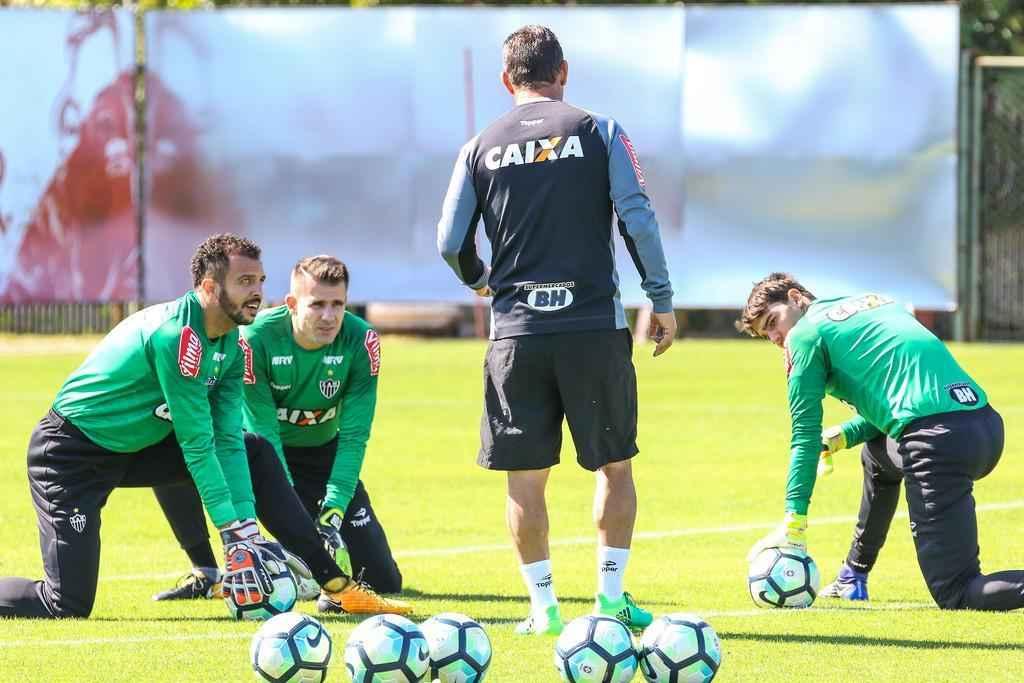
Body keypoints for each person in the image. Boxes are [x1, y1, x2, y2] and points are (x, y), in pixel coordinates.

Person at [0, 234, 409, 618]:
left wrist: (248, 529)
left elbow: (228, 441)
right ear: (210, 288)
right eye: (244, 281)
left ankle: (336, 584)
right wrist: (232, 533)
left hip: (136, 449)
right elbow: (197, 445)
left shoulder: (232, 342)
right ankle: (210, 566)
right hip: (71, 455)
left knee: (253, 449)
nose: (257, 292)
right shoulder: (176, 337)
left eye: (260, 281)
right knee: (66, 603)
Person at [436, 25, 676, 636]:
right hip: (592, 327)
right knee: (615, 467)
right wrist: (660, 298)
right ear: (563, 72)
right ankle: (610, 600)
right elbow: (637, 217)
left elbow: (450, 242)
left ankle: (543, 609)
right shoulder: (600, 131)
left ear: (505, 80)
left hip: (516, 334)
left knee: (525, 478)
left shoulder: (478, 147)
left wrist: (481, 280)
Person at [740, 272, 1024, 611]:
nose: (775, 337)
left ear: (795, 297)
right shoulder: (872, 301)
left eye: (773, 322)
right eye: (765, 334)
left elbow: (803, 435)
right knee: (878, 455)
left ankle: (865, 576)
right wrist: (844, 435)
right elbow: (903, 399)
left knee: (958, 592)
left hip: (937, 444)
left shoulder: (803, 335)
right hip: (985, 426)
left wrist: (794, 524)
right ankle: (853, 575)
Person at [151, 255, 403, 608]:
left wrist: (333, 510)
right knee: (175, 460)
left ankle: (309, 568)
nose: (329, 316)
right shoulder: (255, 338)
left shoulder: (361, 341)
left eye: (337, 304)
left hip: (322, 455)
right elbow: (265, 432)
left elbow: (354, 437)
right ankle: (206, 572)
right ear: (292, 304)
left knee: (384, 580)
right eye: (317, 304)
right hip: (261, 456)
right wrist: (294, 523)